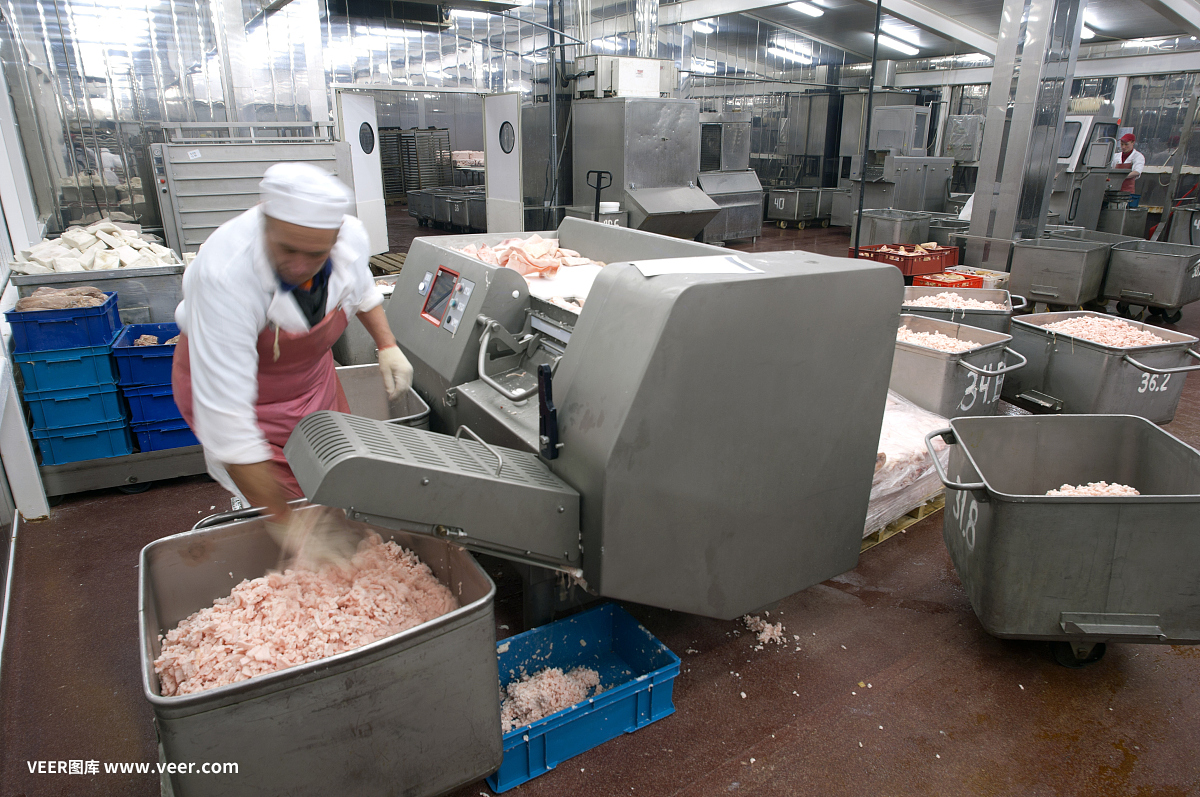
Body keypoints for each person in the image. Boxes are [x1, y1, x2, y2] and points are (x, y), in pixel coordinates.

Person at [172, 162, 412, 524]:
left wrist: (387, 344)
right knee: (294, 505)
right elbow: (229, 425)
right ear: (266, 223)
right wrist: (289, 529)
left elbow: (361, 289)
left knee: (335, 470)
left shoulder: (350, 240)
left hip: (312, 382)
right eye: (287, 250)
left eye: (315, 255)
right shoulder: (225, 275)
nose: (300, 266)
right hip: (247, 400)